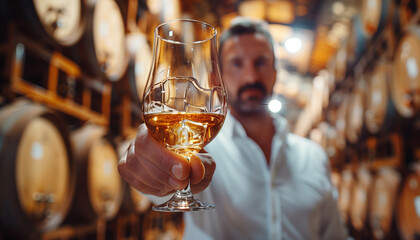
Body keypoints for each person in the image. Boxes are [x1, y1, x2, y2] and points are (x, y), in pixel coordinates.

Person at [118, 17, 348, 239]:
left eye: (261, 63)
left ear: (275, 73)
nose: (250, 76)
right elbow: (153, 184)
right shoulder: (203, 147)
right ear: (215, 78)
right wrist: (147, 164)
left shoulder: (314, 156)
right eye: (237, 64)